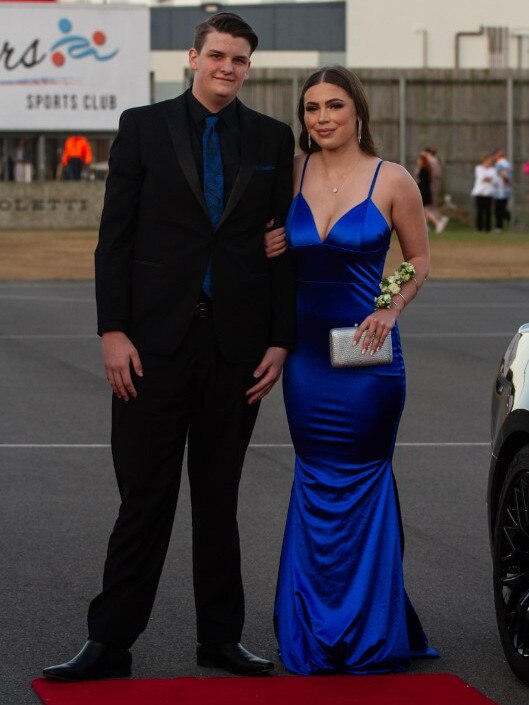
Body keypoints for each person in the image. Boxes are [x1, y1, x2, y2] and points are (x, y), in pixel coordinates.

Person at [43, 12, 296, 681]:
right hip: (150, 344)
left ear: (249, 66)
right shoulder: (142, 128)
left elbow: (278, 250)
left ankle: (221, 637)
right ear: (192, 56)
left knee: (219, 497)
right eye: (217, 55)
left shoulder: (272, 138)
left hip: (235, 348)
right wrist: (112, 330)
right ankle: (109, 642)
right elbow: (114, 239)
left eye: (240, 60)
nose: (228, 68)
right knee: (144, 497)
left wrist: (278, 339)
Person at [265, 66, 438, 674]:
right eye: (311, 108)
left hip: (369, 359)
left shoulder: (393, 180)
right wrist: (270, 248)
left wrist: (389, 307)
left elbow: (417, 259)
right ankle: (313, 625)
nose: (322, 118)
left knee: (363, 479)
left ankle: (369, 627)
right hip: (309, 358)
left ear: (357, 110)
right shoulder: (289, 174)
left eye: (334, 105)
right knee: (315, 478)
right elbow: (262, 252)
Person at [416, 151, 448, 233]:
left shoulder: (424, 169)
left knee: (427, 209)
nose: (418, 161)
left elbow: (423, 181)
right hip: (426, 191)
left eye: (419, 160)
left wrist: (417, 183)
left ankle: (439, 221)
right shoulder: (426, 168)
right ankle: (425, 226)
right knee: (425, 209)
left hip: (424, 191)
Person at [470, 153, 496, 232]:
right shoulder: (478, 168)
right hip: (479, 192)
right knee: (480, 211)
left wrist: (488, 179)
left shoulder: (493, 170)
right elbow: (481, 178)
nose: (489, 163)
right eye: (488, 161)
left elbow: (494, 179)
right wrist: (488, 178)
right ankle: (479, 228)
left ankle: (488, 228)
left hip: (488, 193)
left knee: (488, 211)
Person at [492, 149, 512, 232]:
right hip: (503, 189)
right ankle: (501, 225)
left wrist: (506, 181)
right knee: (501, 208)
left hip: (501, 190)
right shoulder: (506, 163)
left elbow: (503, 174)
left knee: (499, 209)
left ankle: (499, 227)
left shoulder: (500, 163)